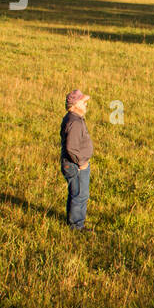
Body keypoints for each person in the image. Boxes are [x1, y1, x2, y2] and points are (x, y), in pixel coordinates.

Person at [60, 90, 93, 231]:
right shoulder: (74, 122)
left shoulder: (73, 118)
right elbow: (71, 148)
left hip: (74, 164)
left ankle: (74, 221)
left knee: (76, 193)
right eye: (83, 102)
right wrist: (81, 163)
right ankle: (77, 226)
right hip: (76, 165)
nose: (86, 104)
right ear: (74, 105)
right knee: (80, 195)